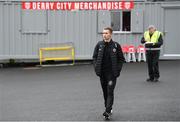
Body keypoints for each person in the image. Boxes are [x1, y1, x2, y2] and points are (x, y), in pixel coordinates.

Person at [92, 27, 125, 119]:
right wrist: (96, 67)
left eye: (106, 33)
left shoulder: (116, 45)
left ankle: (107, 111)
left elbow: (121, 59)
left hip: (112, 74)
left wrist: (117, 70)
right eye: (103, 33)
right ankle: (109, 108)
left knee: (110, 91)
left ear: (111, 34)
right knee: (105, 92)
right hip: (102, 73)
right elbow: (94, 57)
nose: (104, 34)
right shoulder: (99, 45)